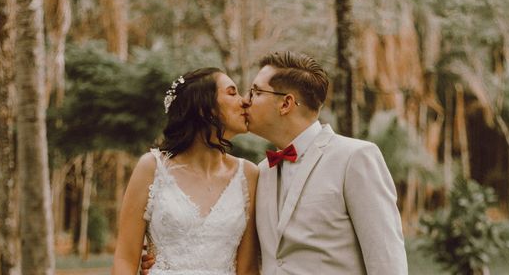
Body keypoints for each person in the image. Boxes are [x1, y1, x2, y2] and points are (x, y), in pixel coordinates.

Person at [142, 51, 408, 274]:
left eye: (255, 92)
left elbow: (387, 262)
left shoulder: (355, 158)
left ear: (285, 104)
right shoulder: (260, 173)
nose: (245, 101)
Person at [112, 67, 260, 275]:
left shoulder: (249, 175)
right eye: (232, 92)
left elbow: (248, 269)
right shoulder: (152, 167)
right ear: (204, 108)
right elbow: (125, 259)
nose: (244, 101)